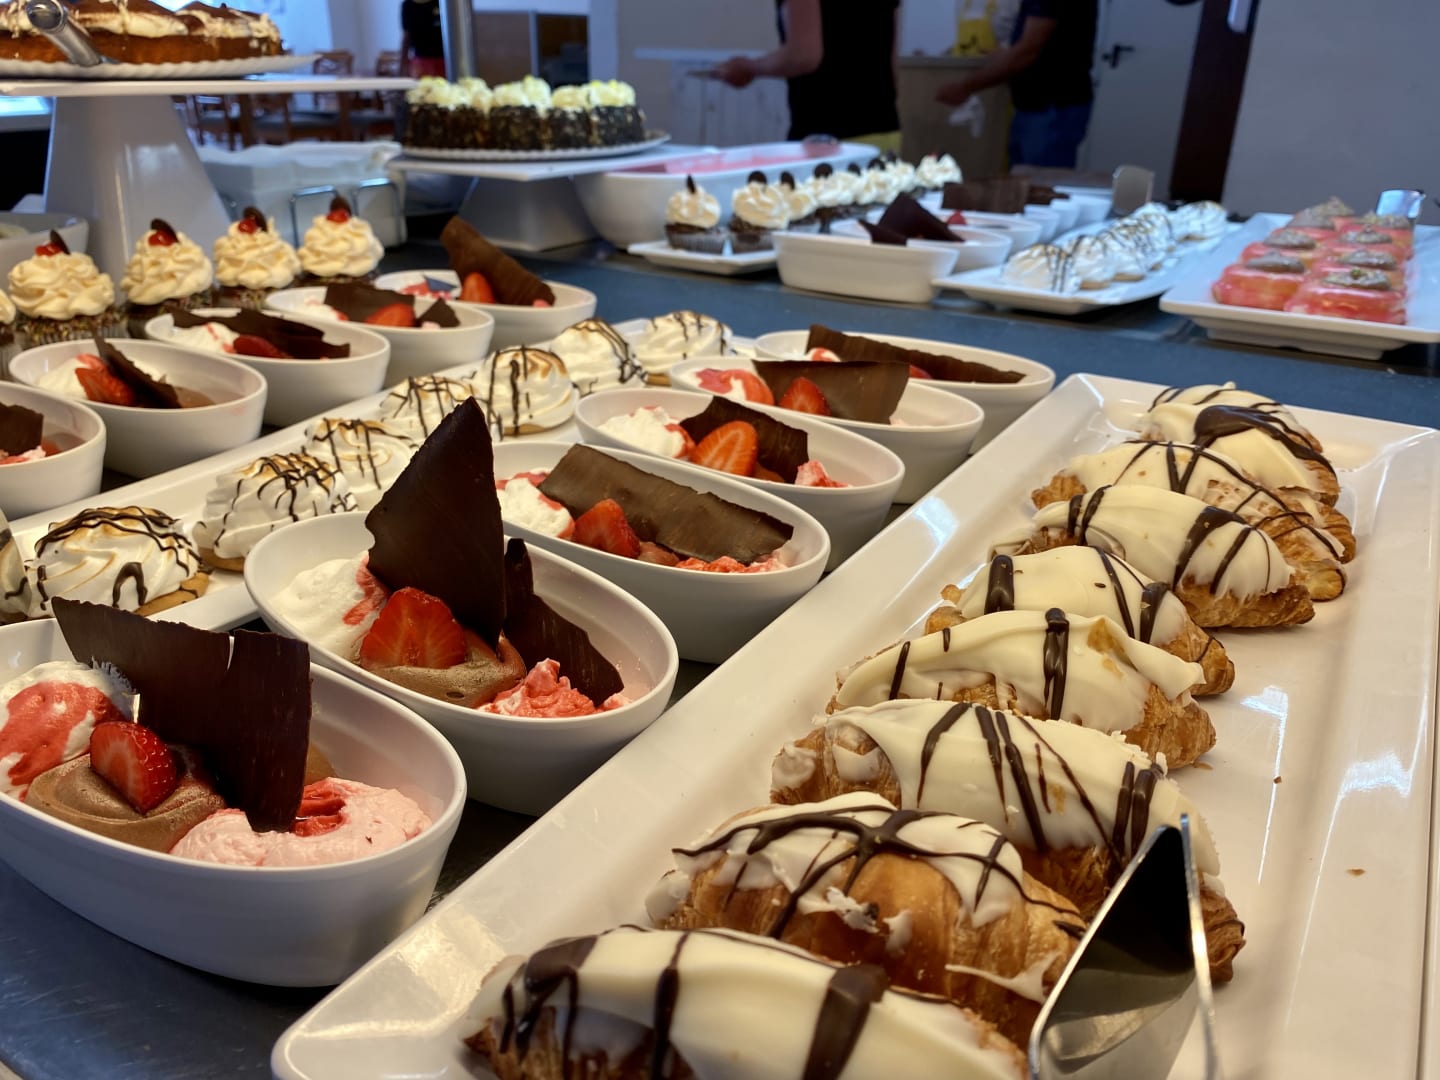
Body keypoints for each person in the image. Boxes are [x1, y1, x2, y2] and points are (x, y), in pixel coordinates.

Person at [713, 0, 902, 151]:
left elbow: (803, 55)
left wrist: (750, 67)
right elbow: (892, 66)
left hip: (824, 139)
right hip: (884, 132)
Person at [934, 0, 1097, 168]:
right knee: (1024, 174)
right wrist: (1006, 54)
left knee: (1040, 178)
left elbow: (1028, 50)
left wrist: (965, 87)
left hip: (1051, 108)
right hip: (1035, 107)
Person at [400, 0, 446, 79]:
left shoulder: (443, 3)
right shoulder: (408, 5)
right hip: (420, 61)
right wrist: (403, 67)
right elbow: (406, 37)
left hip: (445, 60)